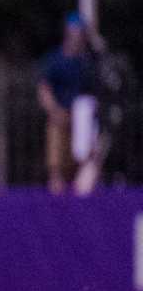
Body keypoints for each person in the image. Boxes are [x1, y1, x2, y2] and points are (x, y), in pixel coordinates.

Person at [39, 13, 100, 196]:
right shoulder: (55, 60)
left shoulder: (89, 62)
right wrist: (54, 110)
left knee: (88, 149)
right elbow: (44, 89)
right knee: (55, 133)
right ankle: (56, 181)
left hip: (83, 116)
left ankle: (83, 181)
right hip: (61, 113)